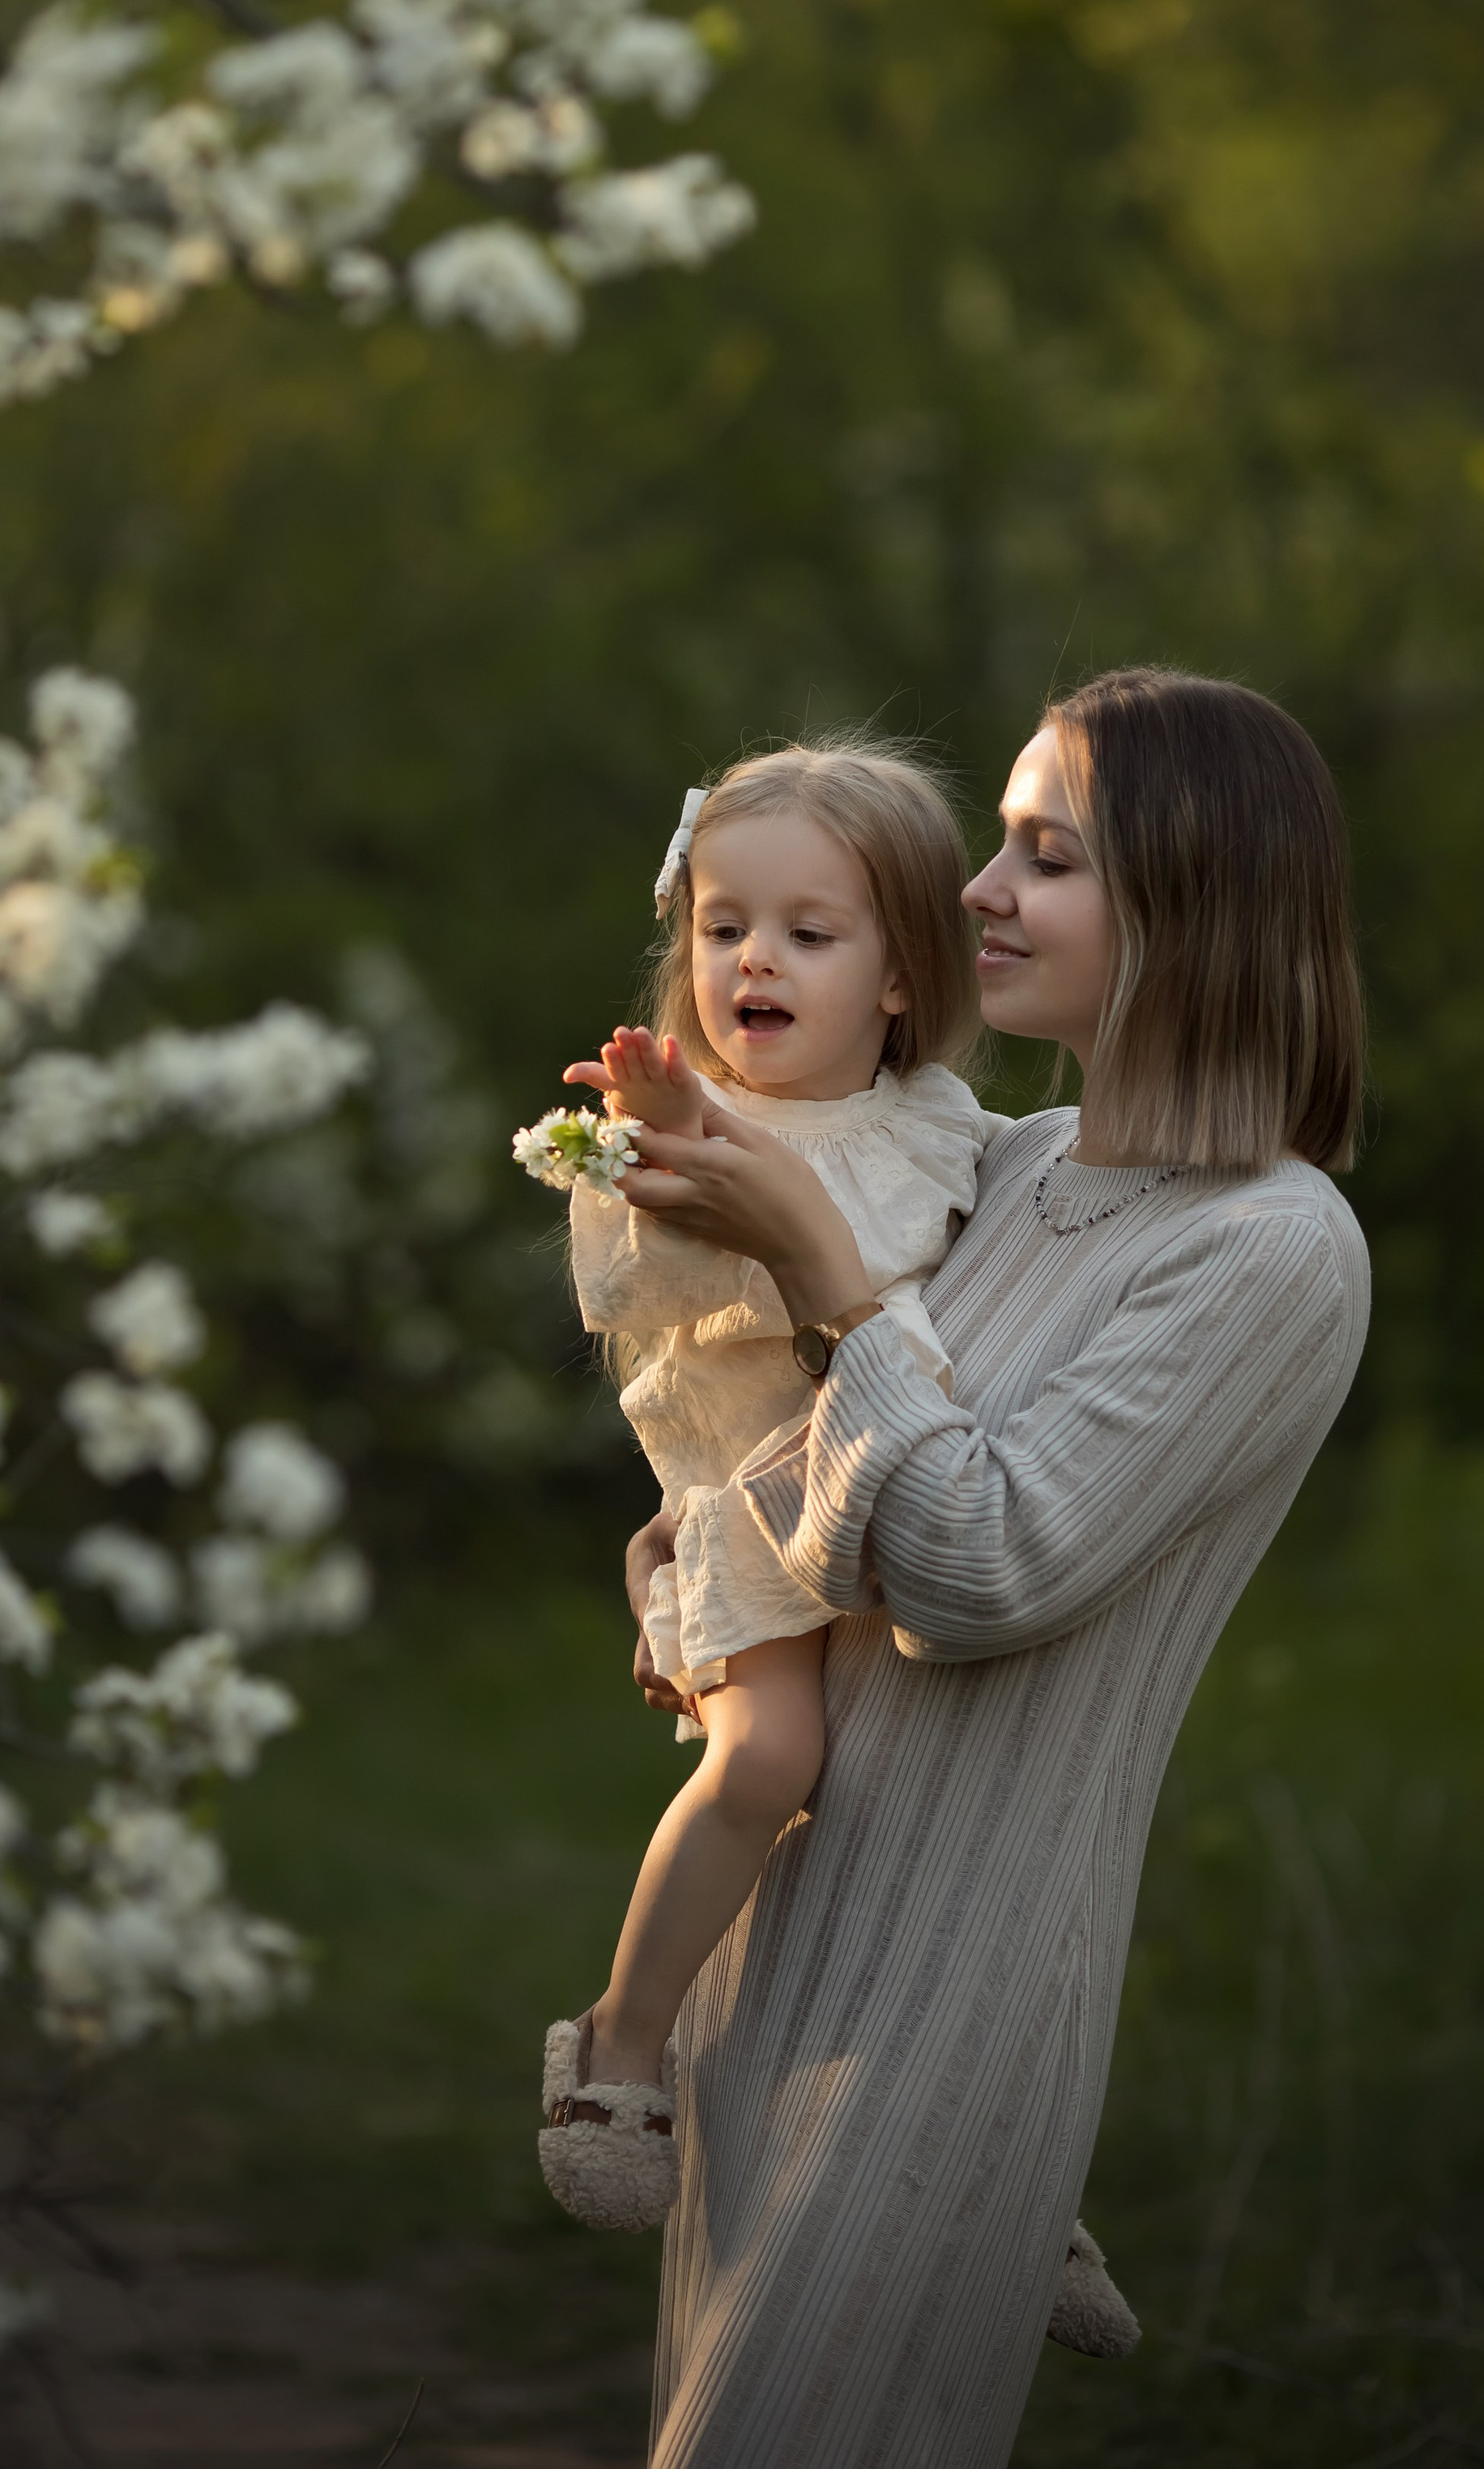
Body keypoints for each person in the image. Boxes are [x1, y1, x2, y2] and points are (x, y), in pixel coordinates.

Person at [599, 666, 1372, 2469]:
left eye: (1048, 856)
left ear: (1192, 901)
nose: (976, 890)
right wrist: (680, 1568)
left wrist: (823, 1270)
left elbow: (970, 1570)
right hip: (768, 1953)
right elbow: (802, 1476)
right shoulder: (999, 1172)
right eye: (1002, 844)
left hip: (950, 1994)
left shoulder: (1271, 1250)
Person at [535, 742, 996, 2232]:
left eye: (809, 932)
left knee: (943, 1830)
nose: (754, 961)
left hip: (906, 1495)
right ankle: (621, 2045)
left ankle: (1000, 2161)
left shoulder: (942, 1122)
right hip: (755, 1513)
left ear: (902, 974)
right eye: (725, 924)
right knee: (765, 1765)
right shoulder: (683, 1132)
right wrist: (665, 1147)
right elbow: (629, 1294)